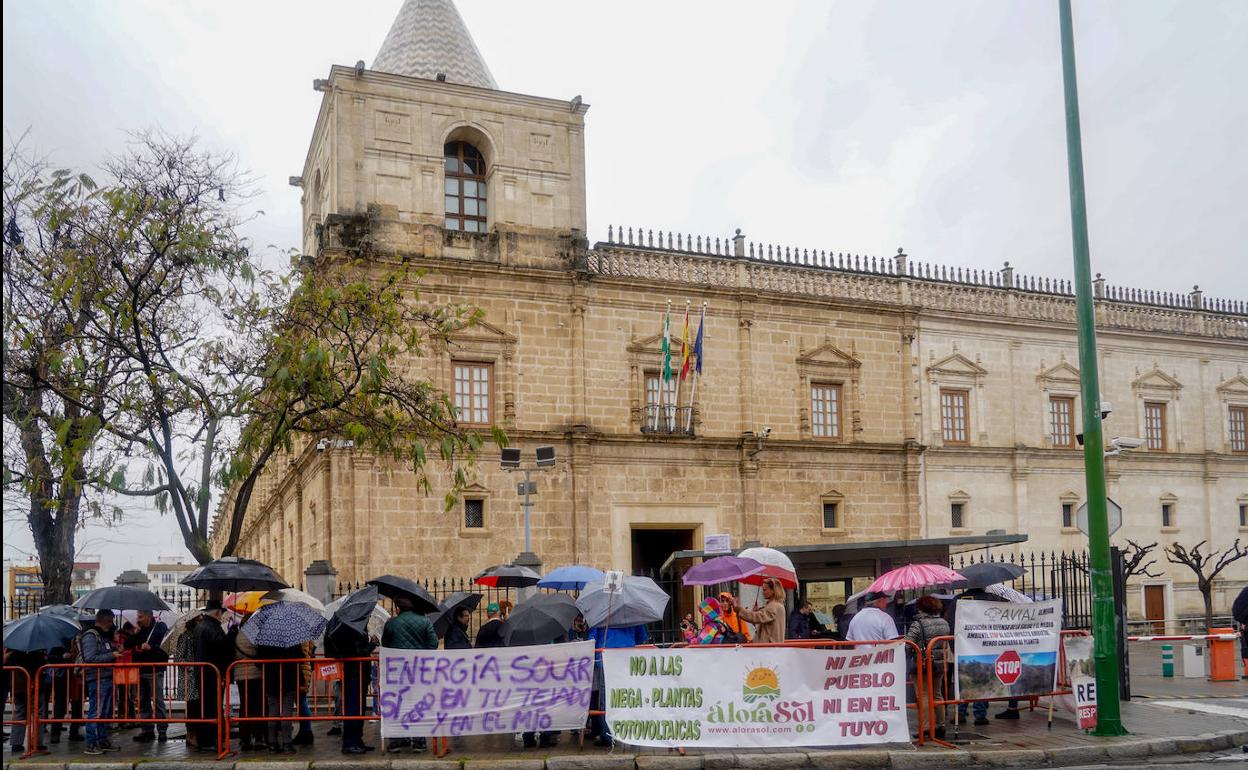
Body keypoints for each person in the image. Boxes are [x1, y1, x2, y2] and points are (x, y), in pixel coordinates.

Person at [381, 594, 438, 753]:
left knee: (398, 705)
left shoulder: (391, 623)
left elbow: (385, 644)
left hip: (397, 672)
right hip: (418, 671)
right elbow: (433, 644)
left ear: (398, 608)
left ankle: (397, 741)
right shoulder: (425, 621)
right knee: (417, 704)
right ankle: (419, 742)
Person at [588, 623, 648, 747]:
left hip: (606, 657)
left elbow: (591, 639)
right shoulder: (633, 613)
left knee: (607, 698)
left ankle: (607, 735)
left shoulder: (600, 613)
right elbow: (641, 637)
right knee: (629, 696)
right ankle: (631, 733)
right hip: (628, 657)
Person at [325, 622, 377, 755]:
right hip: (354, 675)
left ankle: (357, 740)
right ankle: (349, 743)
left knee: (359, 709)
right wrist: (372, 643)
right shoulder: (352, 629)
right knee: (353, 709)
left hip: (358, 675)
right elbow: (358, 653)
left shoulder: (356, 627)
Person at [905, 595, 952, 739]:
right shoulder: (944, 623)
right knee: (937, 693)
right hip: (939, 664)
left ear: (921, 608)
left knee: (923, 695)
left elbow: (908, 643)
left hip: (922, 664)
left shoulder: (918, 624)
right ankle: (940, 726)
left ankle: (925, 728)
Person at [192, 600, 233, 752]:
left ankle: (206, 740)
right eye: (221, 613)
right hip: (212, 675)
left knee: (205, 708)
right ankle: (209, 740)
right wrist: (232, 633)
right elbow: (221, 646)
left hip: (203, 674)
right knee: (213, 708)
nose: (222, 616)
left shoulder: (200, 626)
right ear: (217, 613)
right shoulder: (211, 627)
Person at [80, 609, 121, 754]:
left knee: (105, 712)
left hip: (107, 677)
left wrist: (115, 650)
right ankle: (91, 743)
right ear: (104, 620)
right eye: (110, 621)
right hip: (97, 678)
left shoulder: (104, 636)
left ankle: (102, 740)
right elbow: (90, 658)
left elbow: (104, 652)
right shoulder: (91, 635)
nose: (112, 625)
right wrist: (111, 655)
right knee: (96, 711)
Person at [125, 610, 169, 742]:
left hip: (155, 670)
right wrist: (135, 633)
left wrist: (152, 648)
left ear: (149, 616)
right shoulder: (139, 630)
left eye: (141, 617)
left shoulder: (160, 628)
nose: (138, 619)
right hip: (141, 669)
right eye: (137, 617)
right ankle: (147, 730)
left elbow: (165, 649)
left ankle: (162, 730)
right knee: (143, 701)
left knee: (158, 701)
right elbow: (128, 645)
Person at [257, 640, 302, 754]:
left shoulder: (265, 639)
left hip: (271, 679)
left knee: (273, 710)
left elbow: (257, 661)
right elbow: (300, 657)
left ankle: (272, 743)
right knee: (287, 711)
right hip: (289, 678)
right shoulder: (292, 638)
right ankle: (287, 744)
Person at [8, 648, 48, 753]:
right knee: (38, 713)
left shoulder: (14, 649)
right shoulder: (37, 650)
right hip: (35, 685)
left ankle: (16, 743)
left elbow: (10, 663)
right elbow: (42, 665)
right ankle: (36, 743)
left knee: (20, 712)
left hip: (18, 686)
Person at [233, 630, 267, 751]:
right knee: (257, 706)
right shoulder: (256, 634)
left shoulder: (237, 635)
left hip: (240, 675)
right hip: (256, 674)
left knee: (244, 706)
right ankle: (258, 738)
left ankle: (244, 739)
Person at [47, 641, 84, 744]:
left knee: (77, 705)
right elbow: (50, 657)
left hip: (76, 676)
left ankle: (74, 732)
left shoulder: (80, 641)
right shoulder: (59, 642)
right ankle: (55, 733)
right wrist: (62, 656)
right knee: (60, 705)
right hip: (62, 677)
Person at [737, 577, 788, 643]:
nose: (763, 592)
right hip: (770, 648)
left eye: (765, 590)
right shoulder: (776, 605)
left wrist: (739, 609)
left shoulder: (774, 606)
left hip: (768, 649)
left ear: (773, 591)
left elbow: (756, 617)